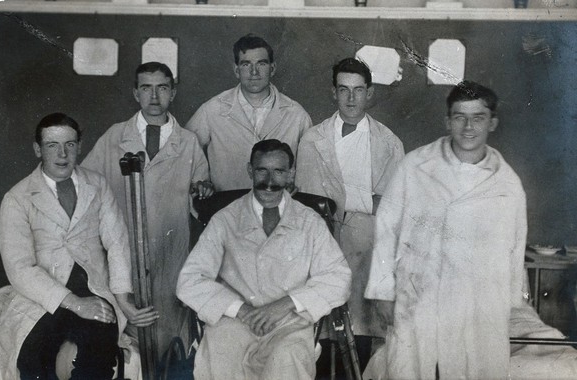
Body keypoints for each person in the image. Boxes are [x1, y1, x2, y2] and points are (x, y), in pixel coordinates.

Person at [364, 81, 527, 379]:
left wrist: (509, 305)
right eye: (459, 116)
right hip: (419, 292)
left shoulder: (507, 183)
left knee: (474, 367)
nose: (468, 126)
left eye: (478, 117)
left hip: (476, 300)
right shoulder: (415, 166)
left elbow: (515, 247)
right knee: (409, 367)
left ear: (492, 123)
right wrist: (382, 291)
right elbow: (387, 228)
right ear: (447, 120)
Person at [0, 113, 157, 380]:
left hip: (92, 288)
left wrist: (122, 299)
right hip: (42, 297)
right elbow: (20, 269)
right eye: (52, 145)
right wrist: (74, 304)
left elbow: (117, 242)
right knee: (34, 358)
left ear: (80, 146)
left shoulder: (98, 185)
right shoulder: (17, 198)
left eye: (70, 144)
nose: (62, 154)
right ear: (38, 149)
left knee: (97, 354)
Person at [177, 139, 351, 379]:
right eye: (262, 170)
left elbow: (338, 278)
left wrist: (286, 304)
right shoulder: (225, 220)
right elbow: (190, 280)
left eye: (279, 171)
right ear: (250, 170)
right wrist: (240, 309)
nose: (270, 182)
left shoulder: (309, 221)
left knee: (287, 360)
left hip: (289, 324)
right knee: (221, 356)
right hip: (233, 323)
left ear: (291, 174)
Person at [81, 62, 213, 358]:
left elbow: (201, 190)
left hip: (170, 252)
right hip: (123, 251)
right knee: (127, 338)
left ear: (173, 92)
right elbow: (86, 187)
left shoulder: (189, 142)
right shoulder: (114, 137)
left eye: (162, 88)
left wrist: (202, 189)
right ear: (135, 93)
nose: (154, 97)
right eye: (146, 88)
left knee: (168, 337)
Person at [295, 58, 404, 371]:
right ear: (334, 93)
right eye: (344, 90)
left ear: (369, 93)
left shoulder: (388, 143)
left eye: (358, 90)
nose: (351, 98)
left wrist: (346, 202)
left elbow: (392, 206)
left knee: (358, 337)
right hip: (320, 249)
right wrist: (363, 198)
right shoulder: (311, 140)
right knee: (317, 338)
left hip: (365, 252)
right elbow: (305, 201)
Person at [185, 34, 312, 191]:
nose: (254, 72)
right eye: (246, 64)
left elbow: (310, 166)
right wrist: (201, 182)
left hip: (279, 208)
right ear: (236, 70)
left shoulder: (296, 114)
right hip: (226, 207)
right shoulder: (212, 110)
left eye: (261, 64)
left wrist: (294, 185)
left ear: (272, 68)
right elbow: (184, 150)